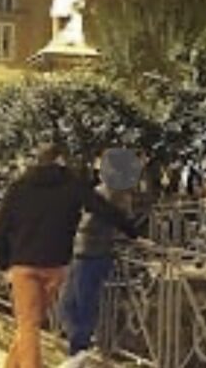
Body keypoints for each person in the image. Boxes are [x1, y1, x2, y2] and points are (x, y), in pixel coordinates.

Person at [0, 143, 139, 368]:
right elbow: (103, 209)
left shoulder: (19, 186)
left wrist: (4, 264)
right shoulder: (72, 184)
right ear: (60, 160)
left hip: (23, 264)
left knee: (28, 324)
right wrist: (132, 231)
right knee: (31, 323)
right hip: (56, 265)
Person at [58, 149, 138, 362]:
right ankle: (79, 349)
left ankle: (80, 351)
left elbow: (114, 223)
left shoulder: (117, 195)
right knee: (68, 304)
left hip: (94, 253)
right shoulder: (99, 191)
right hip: (81, 252)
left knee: (83, 305)